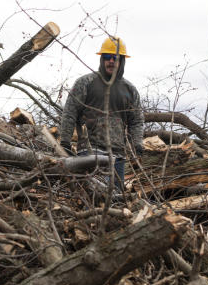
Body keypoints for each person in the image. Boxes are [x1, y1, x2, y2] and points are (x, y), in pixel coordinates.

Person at [58, 36, 144, 187]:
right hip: (89, 152)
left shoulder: (129, 90)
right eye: (107, 57)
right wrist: (64, 140)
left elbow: (136, 120)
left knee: (115, 200)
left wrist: (137, 144)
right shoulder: (85, 83)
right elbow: (70, 112)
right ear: (102, 59)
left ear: (122, 61)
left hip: (117, 156)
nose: (111, 61)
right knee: (90, 198)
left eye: (115, 58)